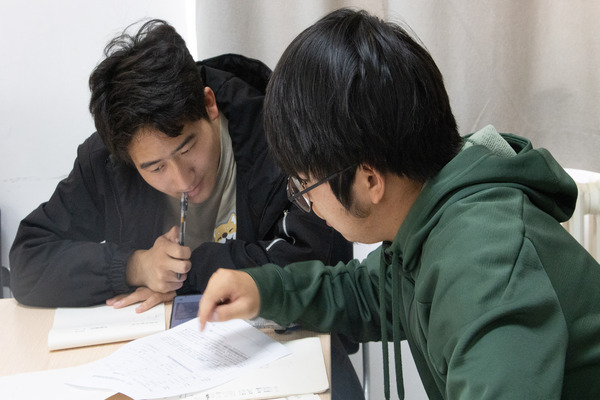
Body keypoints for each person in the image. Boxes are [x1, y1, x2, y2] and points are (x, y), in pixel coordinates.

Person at [198, 8, 600, 400]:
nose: (308, 203)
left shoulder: (486, 267)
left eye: (305, 184)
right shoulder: (433, 214)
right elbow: (369, 292)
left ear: (370, 180)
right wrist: (265, 289)